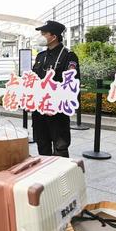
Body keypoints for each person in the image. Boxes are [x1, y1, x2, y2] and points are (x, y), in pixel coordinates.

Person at [32, 20, 79, 157]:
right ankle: (46, 176)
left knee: (60, 148)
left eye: (44, 33)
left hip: (57, 112)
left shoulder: (68, 56)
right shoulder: (41, 56)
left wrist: (56, 105)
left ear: (54, 36)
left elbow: (71, 85)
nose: (41, 36)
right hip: (40, 110)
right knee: (42, 145)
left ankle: (61, 177)